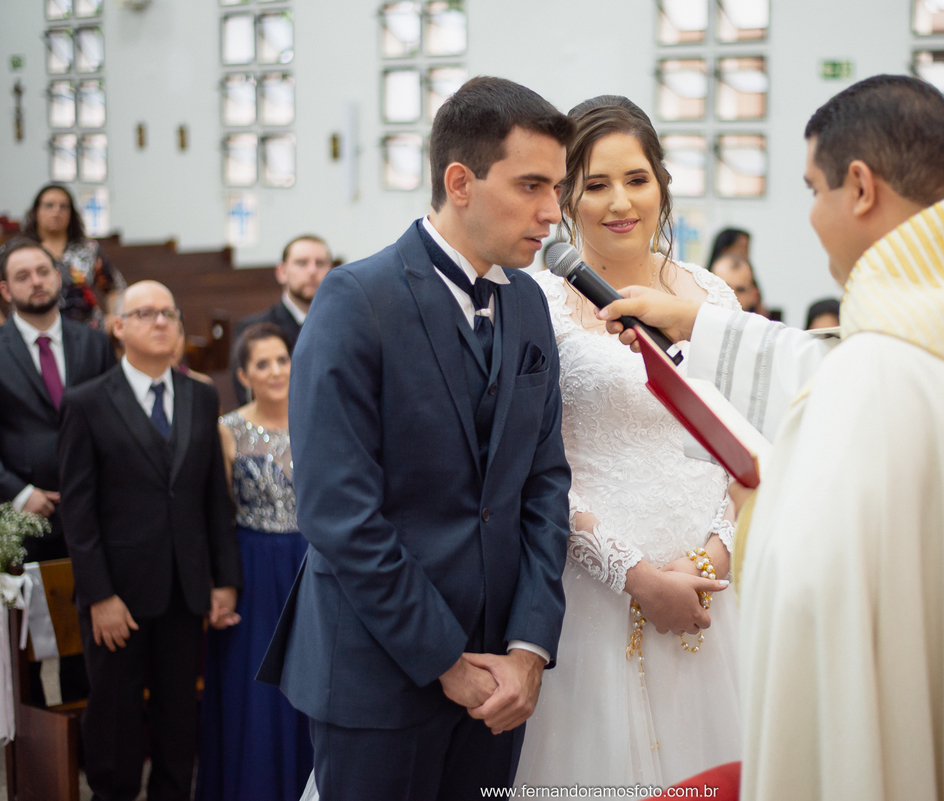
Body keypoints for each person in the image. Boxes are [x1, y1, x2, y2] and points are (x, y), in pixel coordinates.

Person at [599, 74, 944, 800]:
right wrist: (701, 324)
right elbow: (839, 361)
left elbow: (813, 582)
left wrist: (751, 517)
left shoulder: (888, 372)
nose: (812, 216)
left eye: (812, 189)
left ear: (859, 187)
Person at [257, 76, 574, 801]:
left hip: (500, 680)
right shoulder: (356, 300)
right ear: (460, 182)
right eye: (531, 185)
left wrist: (528, 647)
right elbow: (338, 513)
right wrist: (445, 662)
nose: (552, 212)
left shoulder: (527, 302)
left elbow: (544, 482)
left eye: (556, 188)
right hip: (378, 675)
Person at [516, 96, 738, 789]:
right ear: (566, 198)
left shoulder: (711, 296)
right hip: (593, 592)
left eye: (637, 179)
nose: (621, 202)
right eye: (597, 184)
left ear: (661, 184)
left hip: (712, 583)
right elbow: (532, 464)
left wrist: (714, 552)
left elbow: (741, 439)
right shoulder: (535, 304)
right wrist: (634, 574)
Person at [58, 280, 242, 801]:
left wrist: (224, 580)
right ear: (118, 327)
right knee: (115, 715)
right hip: (118, 595)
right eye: (146, 313)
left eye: (169, 313)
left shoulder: (201, 396)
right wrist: (99, 595)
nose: (161, 321)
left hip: (185, 589)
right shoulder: (87, 402)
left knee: (178, 714)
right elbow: (78, 511)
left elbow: (214, 498)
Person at [197, 322, 312, 801]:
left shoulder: (316, 418)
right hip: (254, 569)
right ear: (243, 375)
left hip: (311, 564)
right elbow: (213, 513)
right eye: (262, 364)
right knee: (256, 687)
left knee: (311, 676)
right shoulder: (227, 430)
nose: (276, 371)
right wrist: (219, 581)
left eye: (282, 360)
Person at [0, 237, 115, 563]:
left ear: (57, 276)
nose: (36, 282)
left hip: (97, 507)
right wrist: (19, 493)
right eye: (23, 276)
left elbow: (115, 420)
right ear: (6, 290)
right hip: (27, 514)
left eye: (43, 272)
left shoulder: (94, 343)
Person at [231, 235, 332, 405]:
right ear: (282, 272)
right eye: (302, 263)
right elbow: (247, 394)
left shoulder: (342, 326)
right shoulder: (253, 328)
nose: (312, 271)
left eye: (320, 263)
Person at [21, 184, 124, 327]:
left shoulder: (88, 250)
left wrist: (114, 320)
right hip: (35, 330)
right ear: (36, 211)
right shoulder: (21, 252)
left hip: (86, 330)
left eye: (63, 206)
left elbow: (115, 287)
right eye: (49, 205)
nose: (56, 211)